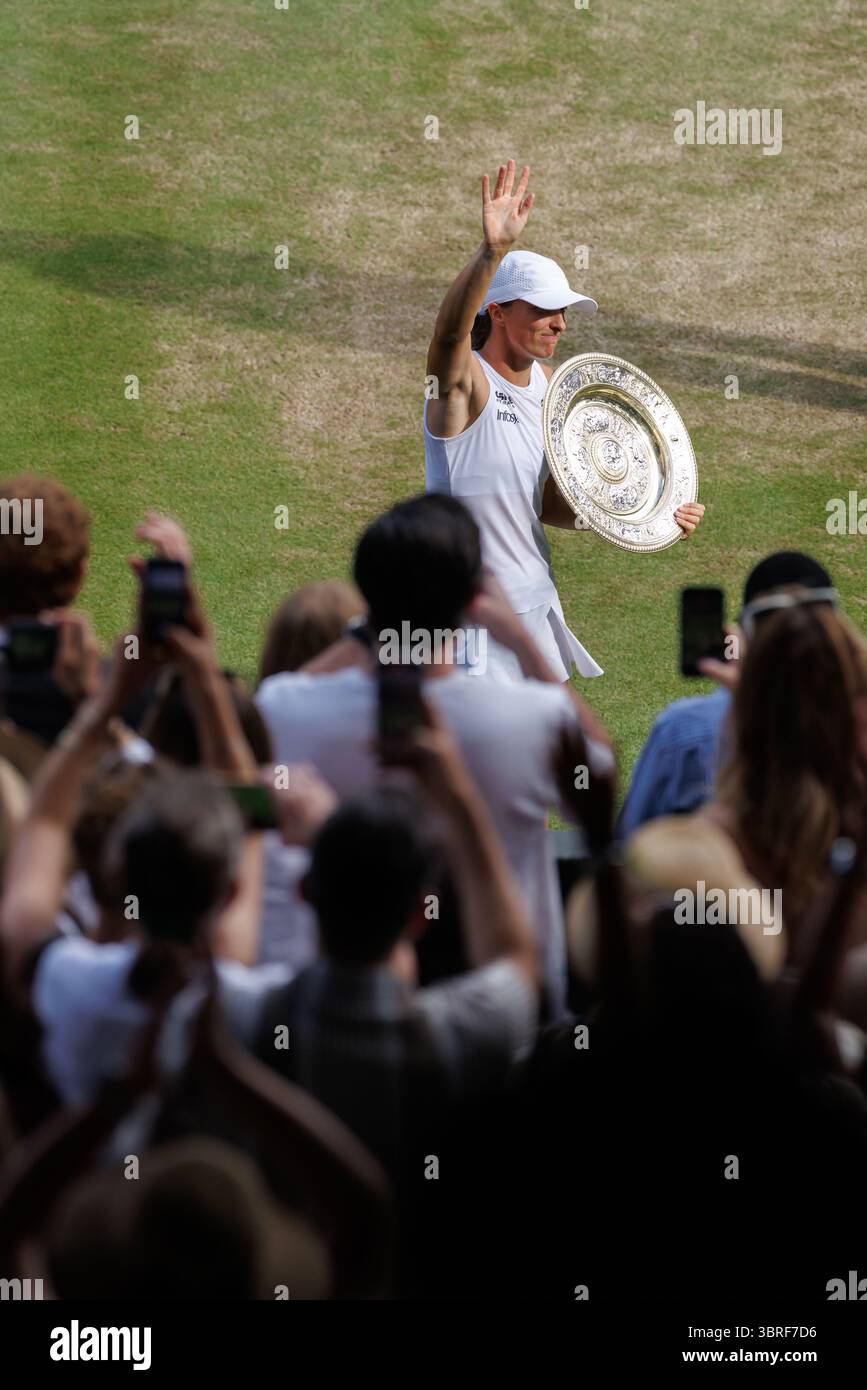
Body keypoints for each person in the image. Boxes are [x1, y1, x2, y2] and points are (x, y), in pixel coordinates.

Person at [257, 493, 615, 1016]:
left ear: (367, 596)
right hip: (503, 1028)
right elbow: (600, 772)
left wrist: (367, 632)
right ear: (473, 597)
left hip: (340, 1017)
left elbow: (272, 694)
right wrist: (520, 638)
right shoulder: (532, 718)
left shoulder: (285, 710)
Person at [423, 158, 704, 683]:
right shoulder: (464, 387)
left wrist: (649, 514)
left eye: (564, 311)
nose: (560, 323)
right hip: (466, 623)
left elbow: (549, 502)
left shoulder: (552, 387)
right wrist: (491, 253)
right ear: (498, 312)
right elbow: (446, 338)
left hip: (533, 600)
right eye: (545, 310)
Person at [616, 551, 838, 837]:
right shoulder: (853, 728)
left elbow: (629, 844)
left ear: (743, 633)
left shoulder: (684, 731)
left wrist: (750, 697)